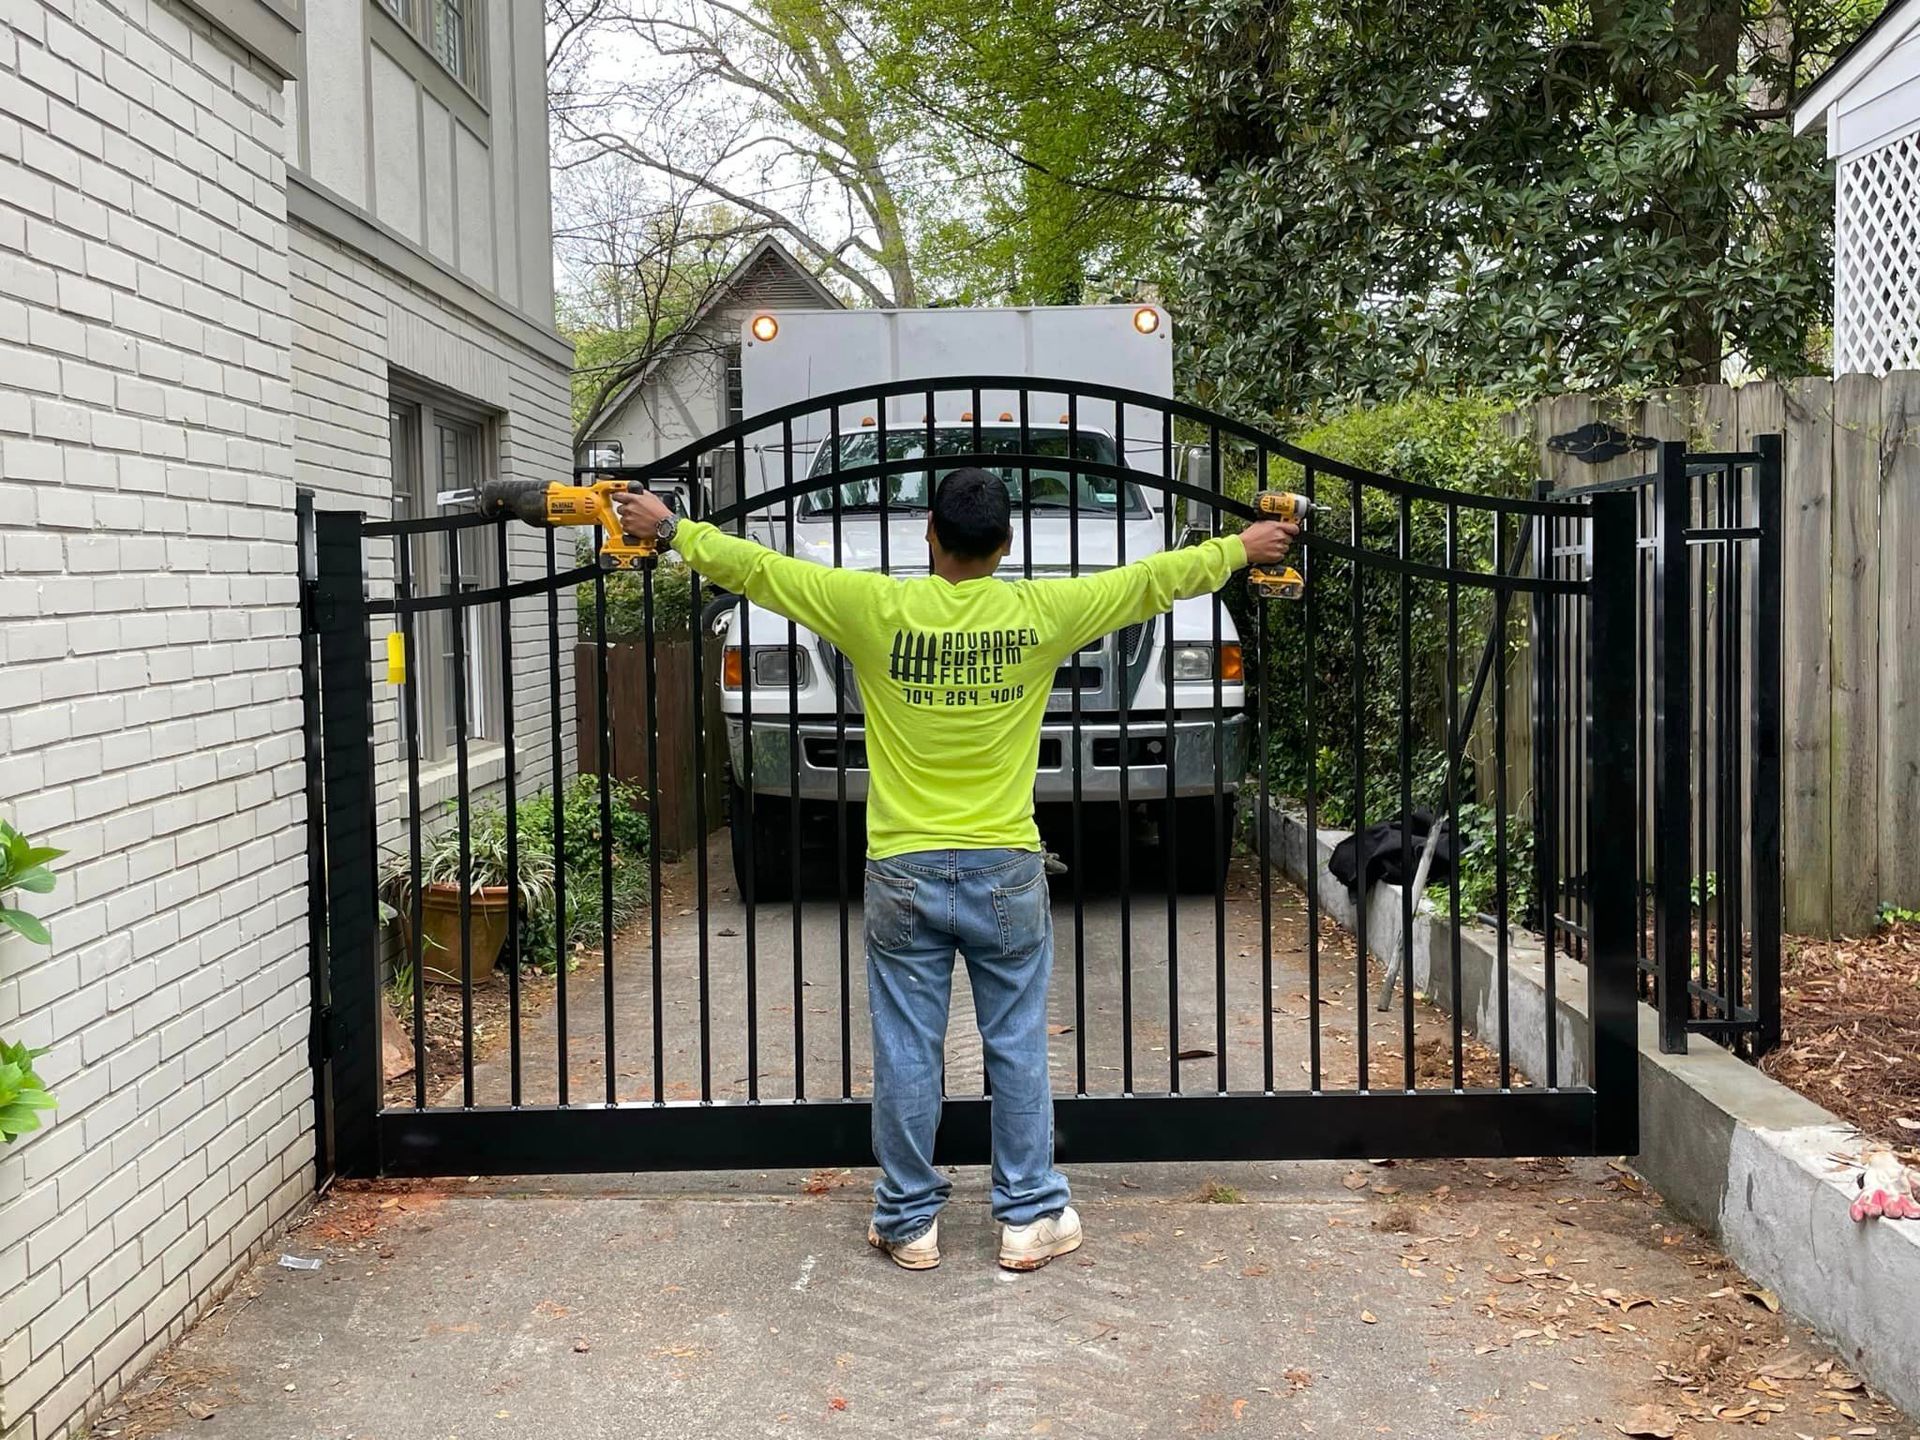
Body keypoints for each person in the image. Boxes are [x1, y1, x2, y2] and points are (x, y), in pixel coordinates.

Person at [613, 471, 1297, 1272]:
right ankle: (1029, 1215)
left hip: (902, 867)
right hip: (1004, 867)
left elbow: (760, 571)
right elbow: (1151, 581)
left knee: (908, 1047)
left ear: (929, 535)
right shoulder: (1041, 612)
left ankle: (908, 1220)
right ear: (1006, 545)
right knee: (1016, 1044)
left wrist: (671, 528)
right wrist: (1242, 547)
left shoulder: (874, 608)